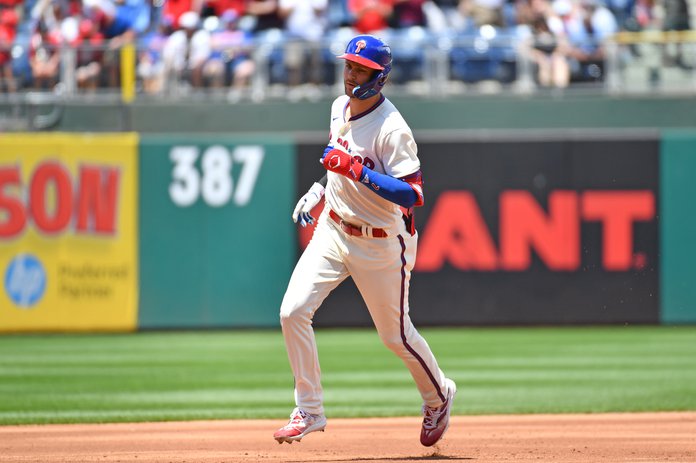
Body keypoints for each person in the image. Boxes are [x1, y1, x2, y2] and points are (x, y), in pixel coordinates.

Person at [273, 34, 456, 447]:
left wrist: (358, 172)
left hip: (381, 242)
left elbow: (414, 194)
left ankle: (438, 396)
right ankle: (310, 409)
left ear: (380, 77)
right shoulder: (339, 107)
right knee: (292, 311)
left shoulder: (393, 128)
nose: (351, 74)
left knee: (396, 336)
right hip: (334, 228)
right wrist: (320, 189)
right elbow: (338, 163)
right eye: (349, 65)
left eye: (361, 69)